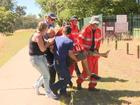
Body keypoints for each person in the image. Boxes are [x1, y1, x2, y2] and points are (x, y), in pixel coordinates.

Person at [29, 21, 58, 99]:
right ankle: (48, 93)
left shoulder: (40, 35)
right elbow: (42, 49)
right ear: (44, 29)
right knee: (46, 76)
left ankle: (37, 85)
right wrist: (48, 43)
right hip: (36, 59)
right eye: (47, 29)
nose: (47, 31)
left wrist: (49, 41)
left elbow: (44, 43)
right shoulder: (38, 36)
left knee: (45, 74)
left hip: (41, 57)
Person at [76, 16, 105, 91]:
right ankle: (79, 82)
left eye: (97, 24)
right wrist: (83, 50)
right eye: (95, 24)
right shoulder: (85, 29)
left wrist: (97, 50)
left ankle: (92, 87)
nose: (96, 25)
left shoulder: (99, 31)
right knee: (87, 71)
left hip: (94, 54)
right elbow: (79, 40)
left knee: (95, 71)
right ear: (92, 23)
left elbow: (98, 41)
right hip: (86, 54)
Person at [50, 25, 78, 96]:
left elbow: (51, 48)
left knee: (63, 77)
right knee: (67, 78)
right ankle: (53, 87)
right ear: (70, 33)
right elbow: (70, 54)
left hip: (56, 61)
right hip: (62, 63)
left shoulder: (56, 38)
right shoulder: (69, 41)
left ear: (62, 31)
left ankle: (63, 92)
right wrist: (76, 59)